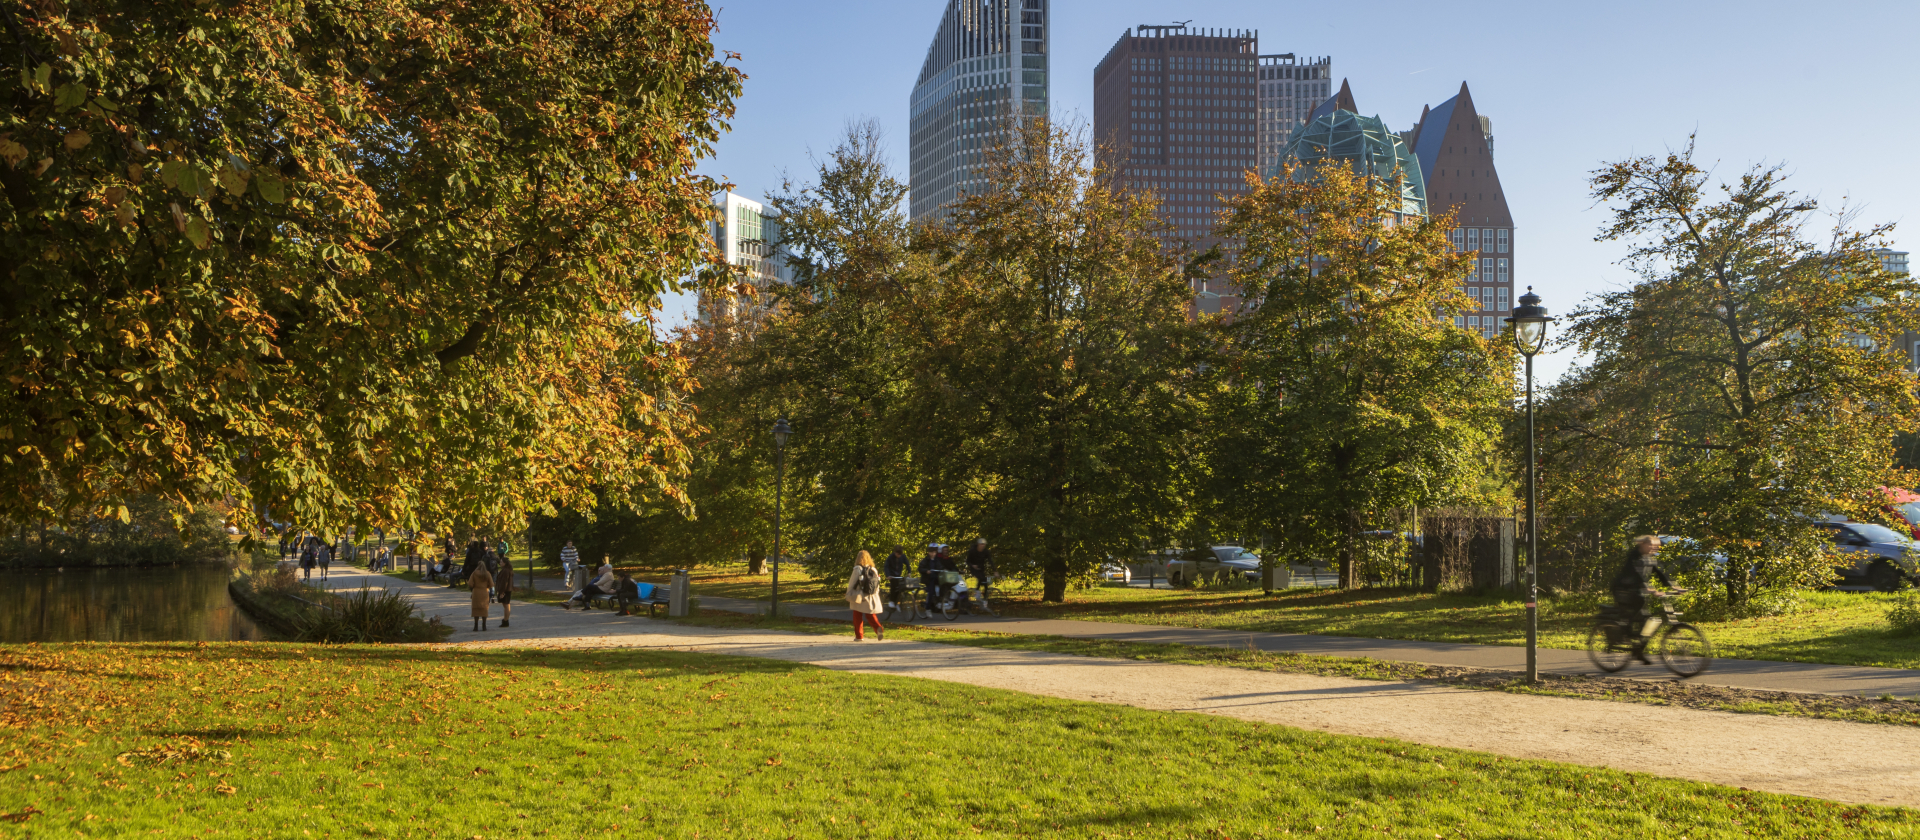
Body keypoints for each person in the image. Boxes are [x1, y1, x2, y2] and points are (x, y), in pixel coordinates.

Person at [1610, 535, 1674, 664]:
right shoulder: (1633, 556)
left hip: (1635, 591)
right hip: (1622, 589)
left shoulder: (1649, 558)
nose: (1655, 548)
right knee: (1635, 615)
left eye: (1657, 546)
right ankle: (1626, 634)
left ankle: (1638, 650)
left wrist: (1674, 587)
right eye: (1652, 545)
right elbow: (1635, 574)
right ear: (1643, 544)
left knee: (1648, 619)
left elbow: (1660, 573)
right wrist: (1649, 588)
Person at [846, 550, 886, 641]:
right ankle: (879, 629)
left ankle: (859, 636)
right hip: (871, 596)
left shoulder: (857, 569)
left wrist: (849, 593)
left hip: (859, 595)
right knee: (871, 615)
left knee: (857, 615)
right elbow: (877, 585)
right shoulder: (873, 569)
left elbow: (852, 583)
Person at [468, 562, 494, 632]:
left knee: (476, 609)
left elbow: (470, 583)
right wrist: (487, 587)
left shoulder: (474, 573)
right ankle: (484, 626)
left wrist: (474, 587)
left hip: (476, 592)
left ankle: (476, 626)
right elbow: (491, 584)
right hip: (484, 592)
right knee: (484, 608)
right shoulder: (487, 573)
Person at [883, 546, 910, 612]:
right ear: (895, 553)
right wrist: (888, 575)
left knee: (899, 588)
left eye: (900, 555)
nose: (899, 556)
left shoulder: (902, 556)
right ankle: (891, 601)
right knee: (894, 587)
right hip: (892, 575)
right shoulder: (890, 557)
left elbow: (907, 564)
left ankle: (896, 602)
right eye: (898, 554)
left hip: (898, 574)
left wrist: (909, 572)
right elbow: (886, 566)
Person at [493, 556, 514, 628]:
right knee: (506, 605)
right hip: (507, 590)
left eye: (501, 562)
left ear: (505, 563)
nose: (500, 563)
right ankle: (506, 620)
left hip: (505, 590)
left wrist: (502, 592)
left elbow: (504, 582)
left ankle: (505, 620)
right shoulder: (507, 570)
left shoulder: (505, 571)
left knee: (506, 605)